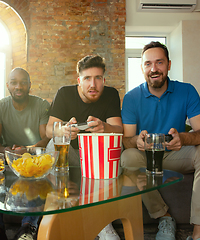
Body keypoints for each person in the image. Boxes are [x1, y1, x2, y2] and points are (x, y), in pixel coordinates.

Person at [121, 41, 200, 240]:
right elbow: (126, 140)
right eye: (148, 64)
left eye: (159, 62)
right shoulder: (131, 98)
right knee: (128, 157)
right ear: (142, 68)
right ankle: (164, 217)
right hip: (146, 157)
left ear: (169, 65)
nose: (154, 69)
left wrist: (183, 138)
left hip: (177, 153)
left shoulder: (186, 91)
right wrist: (137, 142)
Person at [45, 55, 123, 240]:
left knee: (115, 153)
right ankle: (60, 212)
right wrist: (63, 130)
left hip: (98, 157)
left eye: (98, 78)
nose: (93, 84)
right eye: (87, 78)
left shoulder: (111, 94)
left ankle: (103, 223)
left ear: (104, 80)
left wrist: (104, 127)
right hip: (70, 154)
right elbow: (49, 130)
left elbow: (119, 130)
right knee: (52, 144)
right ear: (79, 81)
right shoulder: (64, 93)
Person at [0, 67, 50, 240]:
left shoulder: (41, 105)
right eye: (14, 83)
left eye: (23, 82)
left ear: (29, 85)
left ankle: (28, 227)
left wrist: (27, 150)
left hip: (34, 158)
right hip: (7, 157)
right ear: (7, 85)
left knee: (36, 174)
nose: (18, 86)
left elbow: (46, 139)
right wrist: (6, 151)